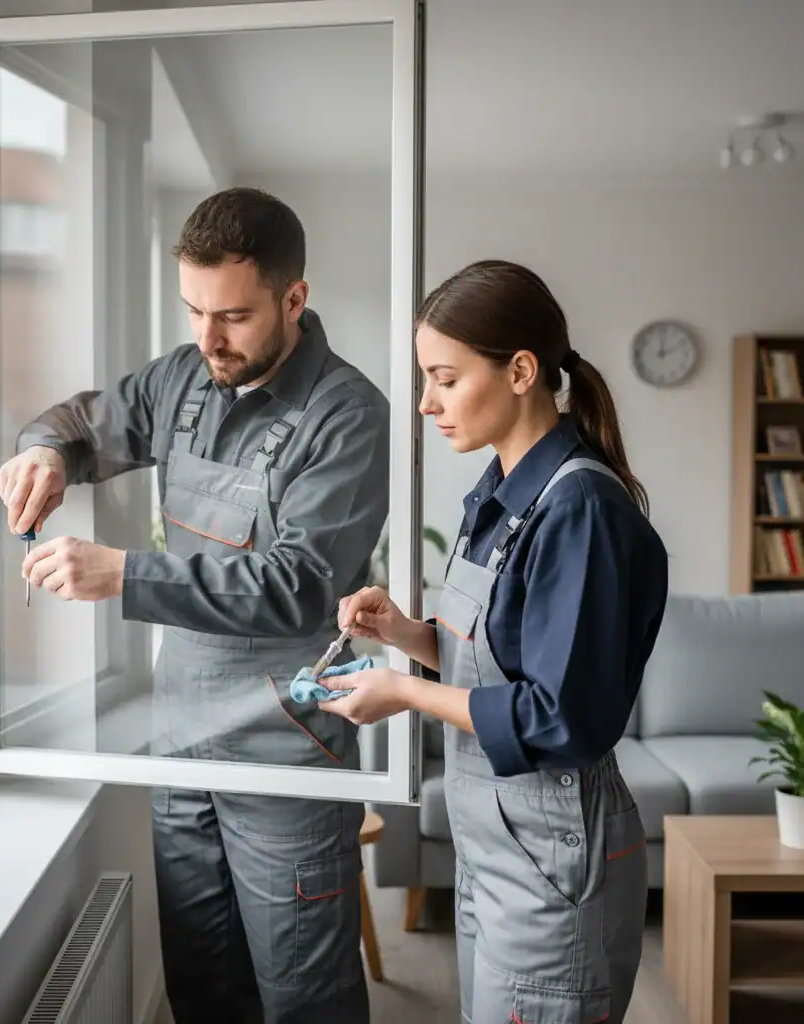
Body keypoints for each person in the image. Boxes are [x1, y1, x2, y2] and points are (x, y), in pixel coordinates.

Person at [0, 188, 389, 1024]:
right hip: (179, 753)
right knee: (203, 991)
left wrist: (122, 576)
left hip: (288, 757)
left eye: (235, 317)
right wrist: (45, 454)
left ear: (294, 299)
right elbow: (78, 419)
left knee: (303, 1002)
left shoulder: (349, 415)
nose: (209, 338)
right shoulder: (182, 378)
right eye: (194, 310)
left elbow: (298, 587)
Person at [321, 259, 669, 1024]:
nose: (425, 403)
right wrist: (405, 636)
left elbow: (558, 715)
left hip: (553, 856)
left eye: (444, 378)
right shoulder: (499, 494)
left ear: (520, 371)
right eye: (424, 379)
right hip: (495, 847)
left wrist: (405, 691)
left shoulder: (579, 510)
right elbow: (503, 667)